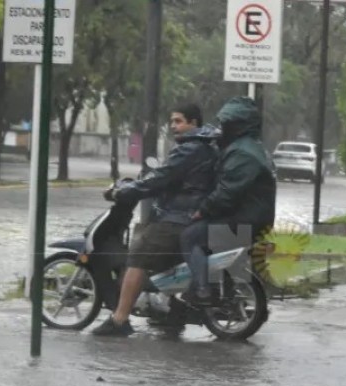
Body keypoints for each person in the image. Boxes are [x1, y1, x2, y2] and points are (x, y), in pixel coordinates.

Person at [91, 102, 219, 336]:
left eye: (179, 121)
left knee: (139, 254)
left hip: (179, 217)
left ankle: (119, 320)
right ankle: (171, 312)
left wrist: (125, 192)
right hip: (192, 214)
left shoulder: (190, 148)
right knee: (162, 261)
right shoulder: (205, 146)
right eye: (171, 121)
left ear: (194, 123)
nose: (173, 126)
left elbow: (161, 178)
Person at [180, 96, 276, 305]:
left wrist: (202, 210)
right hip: (252, 216)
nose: (221, 128)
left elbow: (227, 192)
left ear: (237, 125)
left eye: (226, 124)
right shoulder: (251, 147)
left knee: (190, 236)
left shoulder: (243, 152)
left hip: (245, 219)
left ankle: (204, 290)